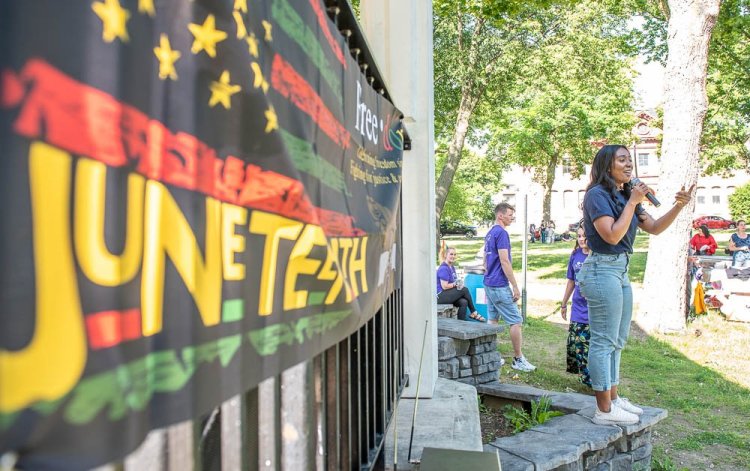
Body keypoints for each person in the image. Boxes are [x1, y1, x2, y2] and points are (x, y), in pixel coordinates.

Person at [577, 145, 693, 426]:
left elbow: (653, 227)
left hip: (620, 271)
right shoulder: (597, 195)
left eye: (630, 160)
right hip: (601, 270)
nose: (629, 165)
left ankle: (614, 400)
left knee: (617, 340)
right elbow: (613, 236)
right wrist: (632, 201)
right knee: (603, 341)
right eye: (622, 160)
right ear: (607, 166)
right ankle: (603, 410)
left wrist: (678, 205)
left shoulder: (625, 194)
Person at [484, 202, 536, 372]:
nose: (512, 217)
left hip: (488, 283)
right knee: (516, 321)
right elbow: (504, 261)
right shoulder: (502, 233)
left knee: (492, 320)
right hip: (499, 285)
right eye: (510, 214)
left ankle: (489, 356)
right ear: (500, 215)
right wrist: (514, 286)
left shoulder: (490, 233)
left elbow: (485, 260)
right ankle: (518, 359)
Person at [561, 226, 591, 387]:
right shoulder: (575, 255)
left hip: (593, 308)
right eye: (579, 236)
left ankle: (593, 380)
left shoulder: (597, 256)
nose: (581, 239)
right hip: (578, 307)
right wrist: (564, 303)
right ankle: (584, 378)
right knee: (577, 344)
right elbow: (571, 281)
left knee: (589, 345)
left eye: (584, 236)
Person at [437, 247, 486, 322]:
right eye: (451, 254)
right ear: (446, 255)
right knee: (464, 290)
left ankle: (461, 324)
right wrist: (456, 284)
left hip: (447, 294)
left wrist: (458, 283)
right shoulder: (444, 268)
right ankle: (473, 312)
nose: (453, 256)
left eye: (454, 254)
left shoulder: (451, 267)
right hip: (440, 296)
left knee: (464, 302)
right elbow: (444, 286)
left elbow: (454, 282)